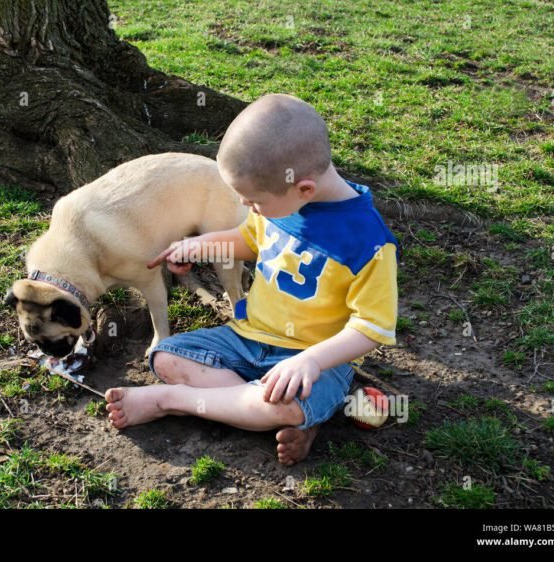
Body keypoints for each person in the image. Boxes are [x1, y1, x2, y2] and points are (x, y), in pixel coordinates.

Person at [105, 93, 399, 466]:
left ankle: (169, 401)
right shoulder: (281, 199)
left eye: (252, 201)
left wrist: (310, 361)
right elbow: (248, 240)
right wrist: (198, 246)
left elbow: (373, 326)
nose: (247, 206)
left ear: (303, 187)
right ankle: (265, 410)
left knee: (287, 402)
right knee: (167, 357)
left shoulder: (368, 243)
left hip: (314, 361)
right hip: (245, 339)